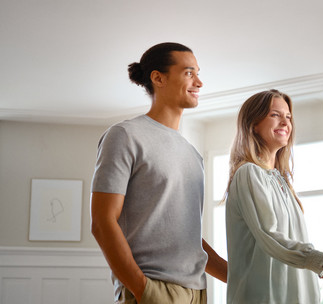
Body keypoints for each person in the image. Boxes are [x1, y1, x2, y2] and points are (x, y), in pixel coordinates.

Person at [91, 42, 227, 304]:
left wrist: (237, 275)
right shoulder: (125, 136)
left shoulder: (192, 154)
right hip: (152, 290)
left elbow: (187, 237)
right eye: (189, 73)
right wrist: (143, 290)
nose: (199, 82)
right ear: (158, 78)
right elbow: (102, 221)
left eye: (198, 73)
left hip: (197, 292)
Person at [224, 89, 323, 304]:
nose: (285, 122)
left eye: (288, 116)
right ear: (253, 123)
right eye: (275, 115)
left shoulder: (282, 182)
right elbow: (271, 237)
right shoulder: (249, 173)